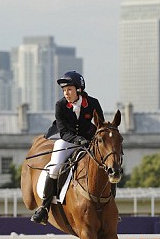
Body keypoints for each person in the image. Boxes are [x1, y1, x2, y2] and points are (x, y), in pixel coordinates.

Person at [31, 71, 105, 225]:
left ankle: (109, 205)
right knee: (55, 167)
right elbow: (64, 132)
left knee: (107, 166)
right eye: (64, 90)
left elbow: (100, 125)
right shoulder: (60, 105)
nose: (66, 93)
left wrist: (95, 141)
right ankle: (44, 207)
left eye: (69, 90)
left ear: (79, 89)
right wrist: (78, 140)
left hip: (90, 141)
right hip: (68, 141)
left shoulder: (93, 103)